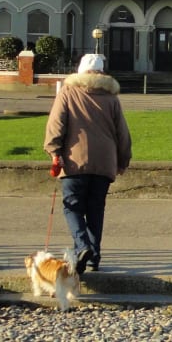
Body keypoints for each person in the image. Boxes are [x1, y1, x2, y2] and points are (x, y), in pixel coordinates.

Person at [44, 53, 132, 274]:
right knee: (95, 209)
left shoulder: (68, 92)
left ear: (80, 71)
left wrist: (54, 151)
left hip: (74, 160)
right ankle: (93, 258)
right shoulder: (111, 98)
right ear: (102, 72)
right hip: (104, 161)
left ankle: (83, 247)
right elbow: (123, 134)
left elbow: (56, 124)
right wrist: (123, 160)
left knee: (72, 207)